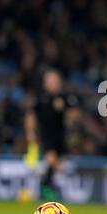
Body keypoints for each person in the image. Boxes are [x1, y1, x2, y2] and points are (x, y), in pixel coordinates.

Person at [24, 69, 71, 200]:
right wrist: (30, 132)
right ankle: (46, 187)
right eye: (51, 81)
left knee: (55, 165)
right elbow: (30, 115)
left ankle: (45, 186)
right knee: (52, 159)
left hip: (61, 136)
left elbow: (76, 115)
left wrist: (64, 109)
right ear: (45, 83)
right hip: (45, 134)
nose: (54, 84)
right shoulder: (40, 97)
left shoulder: (66, 97)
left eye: (56, 81)